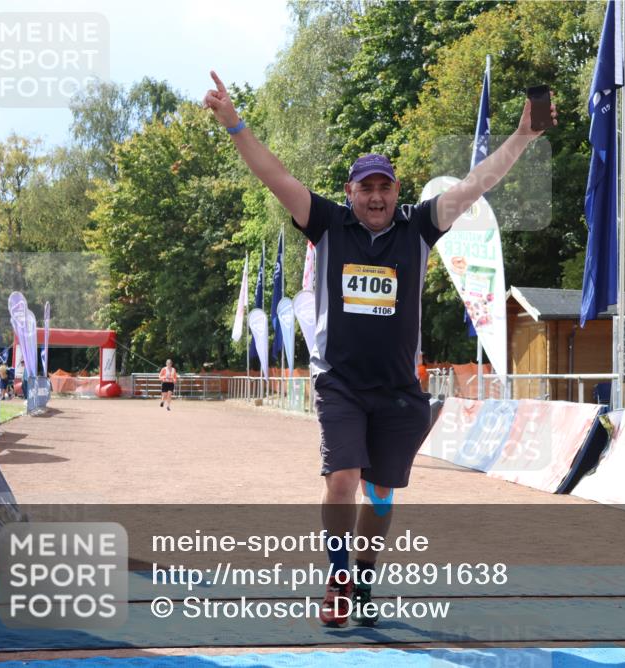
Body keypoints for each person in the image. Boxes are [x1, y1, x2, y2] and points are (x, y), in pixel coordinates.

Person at [205, 69, 556, 627]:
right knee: (342, 478)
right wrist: (235, 124)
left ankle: (364, 580)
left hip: (398, 391)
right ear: (350, 193)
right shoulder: (327, 224)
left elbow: (475, 185)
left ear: (396, 191)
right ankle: (339, 580)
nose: (374, 196)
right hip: (340, 383)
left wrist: (522, 138)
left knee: (383, 494)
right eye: (364, 187)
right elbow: (275, 176)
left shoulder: (420, 226)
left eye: (383, 187)